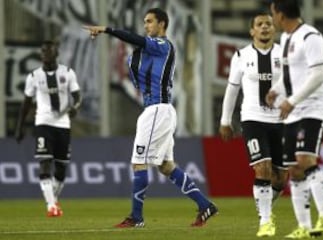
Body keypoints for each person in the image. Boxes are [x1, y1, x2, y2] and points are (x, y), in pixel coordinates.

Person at [83, 8, 218, 228]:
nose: (146, 25)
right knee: (166, 166)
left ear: (162, 24)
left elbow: (136, 40)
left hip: (157, 111)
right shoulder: (148, 52)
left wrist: (107, 29)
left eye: (150, 21)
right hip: (159, 111)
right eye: (144, 22)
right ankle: (205, 205)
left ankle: (136, 217)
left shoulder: (163, 45)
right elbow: (136, 61)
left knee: (138, 162)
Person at [267, 0, 323, 238]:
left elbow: (319, 75)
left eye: (272, 14)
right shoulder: (287, 39)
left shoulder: (311, 37)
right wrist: (277, 90)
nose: (271, 19)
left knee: (305, 159)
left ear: (280, 14)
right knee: (294, 168)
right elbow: (291, 75)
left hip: (313, 108)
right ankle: (305, 227)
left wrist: (292, 100)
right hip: (294, 111)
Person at [219, 12, 288, 237]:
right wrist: (225, 121)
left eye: (268, 23)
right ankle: (266, 221)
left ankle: (265, 207)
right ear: (252, 31)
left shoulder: (284, 54)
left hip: (280, 121)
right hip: (252, 119)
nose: (265, 27)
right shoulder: (240, 55)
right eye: (260, 24)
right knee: (263, 168)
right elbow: (232, 89)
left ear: (274, 28)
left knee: (281, 177)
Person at [15, 40, 82, 217]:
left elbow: (77, 96)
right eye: (43, 51)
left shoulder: (67, 73)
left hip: (63, 124)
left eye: (49, 50)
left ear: (56, 53)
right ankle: (52, 206)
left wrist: (75, 107)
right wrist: (19, 127)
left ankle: (52, 199)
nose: (45, 53)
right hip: (43, 123)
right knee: (44, 163)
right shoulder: (33, 76)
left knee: (61, 170)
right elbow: (26, 104)